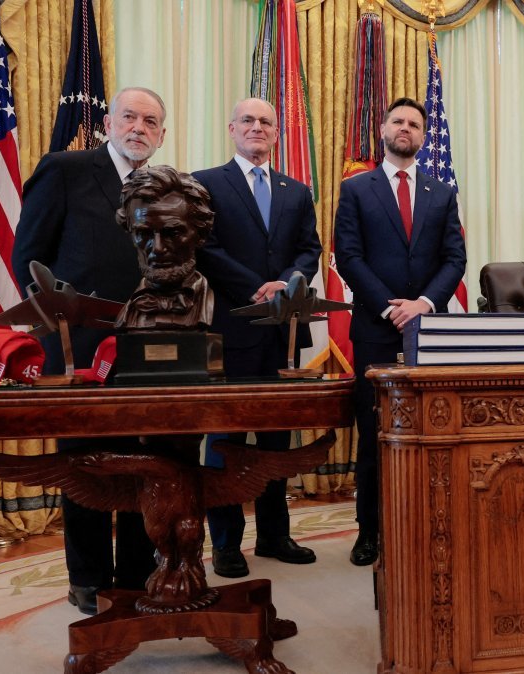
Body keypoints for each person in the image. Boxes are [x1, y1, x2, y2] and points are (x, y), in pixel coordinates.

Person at [11, 86, 167, 614]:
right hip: (77, 350)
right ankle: (88, 577)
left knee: (144, 462)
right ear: (109, 123)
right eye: (130, 117)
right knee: (86, 466)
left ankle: (138, 574)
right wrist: (55, 324)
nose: (139, 128)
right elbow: (28, 256)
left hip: (146, 350)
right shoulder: (65, 170)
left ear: (162, 135)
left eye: (150, 121)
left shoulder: (163, 188)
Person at [193, 98, 323, 578]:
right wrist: (255, 286)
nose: (257, 127)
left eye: (266, 122)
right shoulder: (206, 183)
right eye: (247, 120)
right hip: (231, 328)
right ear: (232, 128)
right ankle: (226, 543)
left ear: (276, 134)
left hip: (283, 331)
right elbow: (204, 247)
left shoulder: (297, 190)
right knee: (225, 438)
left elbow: (310, 249)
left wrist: (285, 282)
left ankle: (273, 535)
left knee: (276, 440)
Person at [334, 97, 467, 567]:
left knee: (433, 432)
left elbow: (455, 258)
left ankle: (430, 528)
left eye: (414, 123)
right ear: (383, 130)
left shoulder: (441, 193)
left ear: (423, 136)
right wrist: (391, 308)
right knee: (374, 435)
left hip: (429, 331)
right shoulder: (356, 189)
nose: (405, 128)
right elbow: (348, 256)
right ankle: (369, 532)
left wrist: (424, 304)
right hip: (376, 327)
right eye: (397, 121)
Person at [115, 166, 215, 331]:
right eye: (144, 233)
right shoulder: (131, 308)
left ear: (200, 235)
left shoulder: (218, 308)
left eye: (173, 233)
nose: (158, 248)